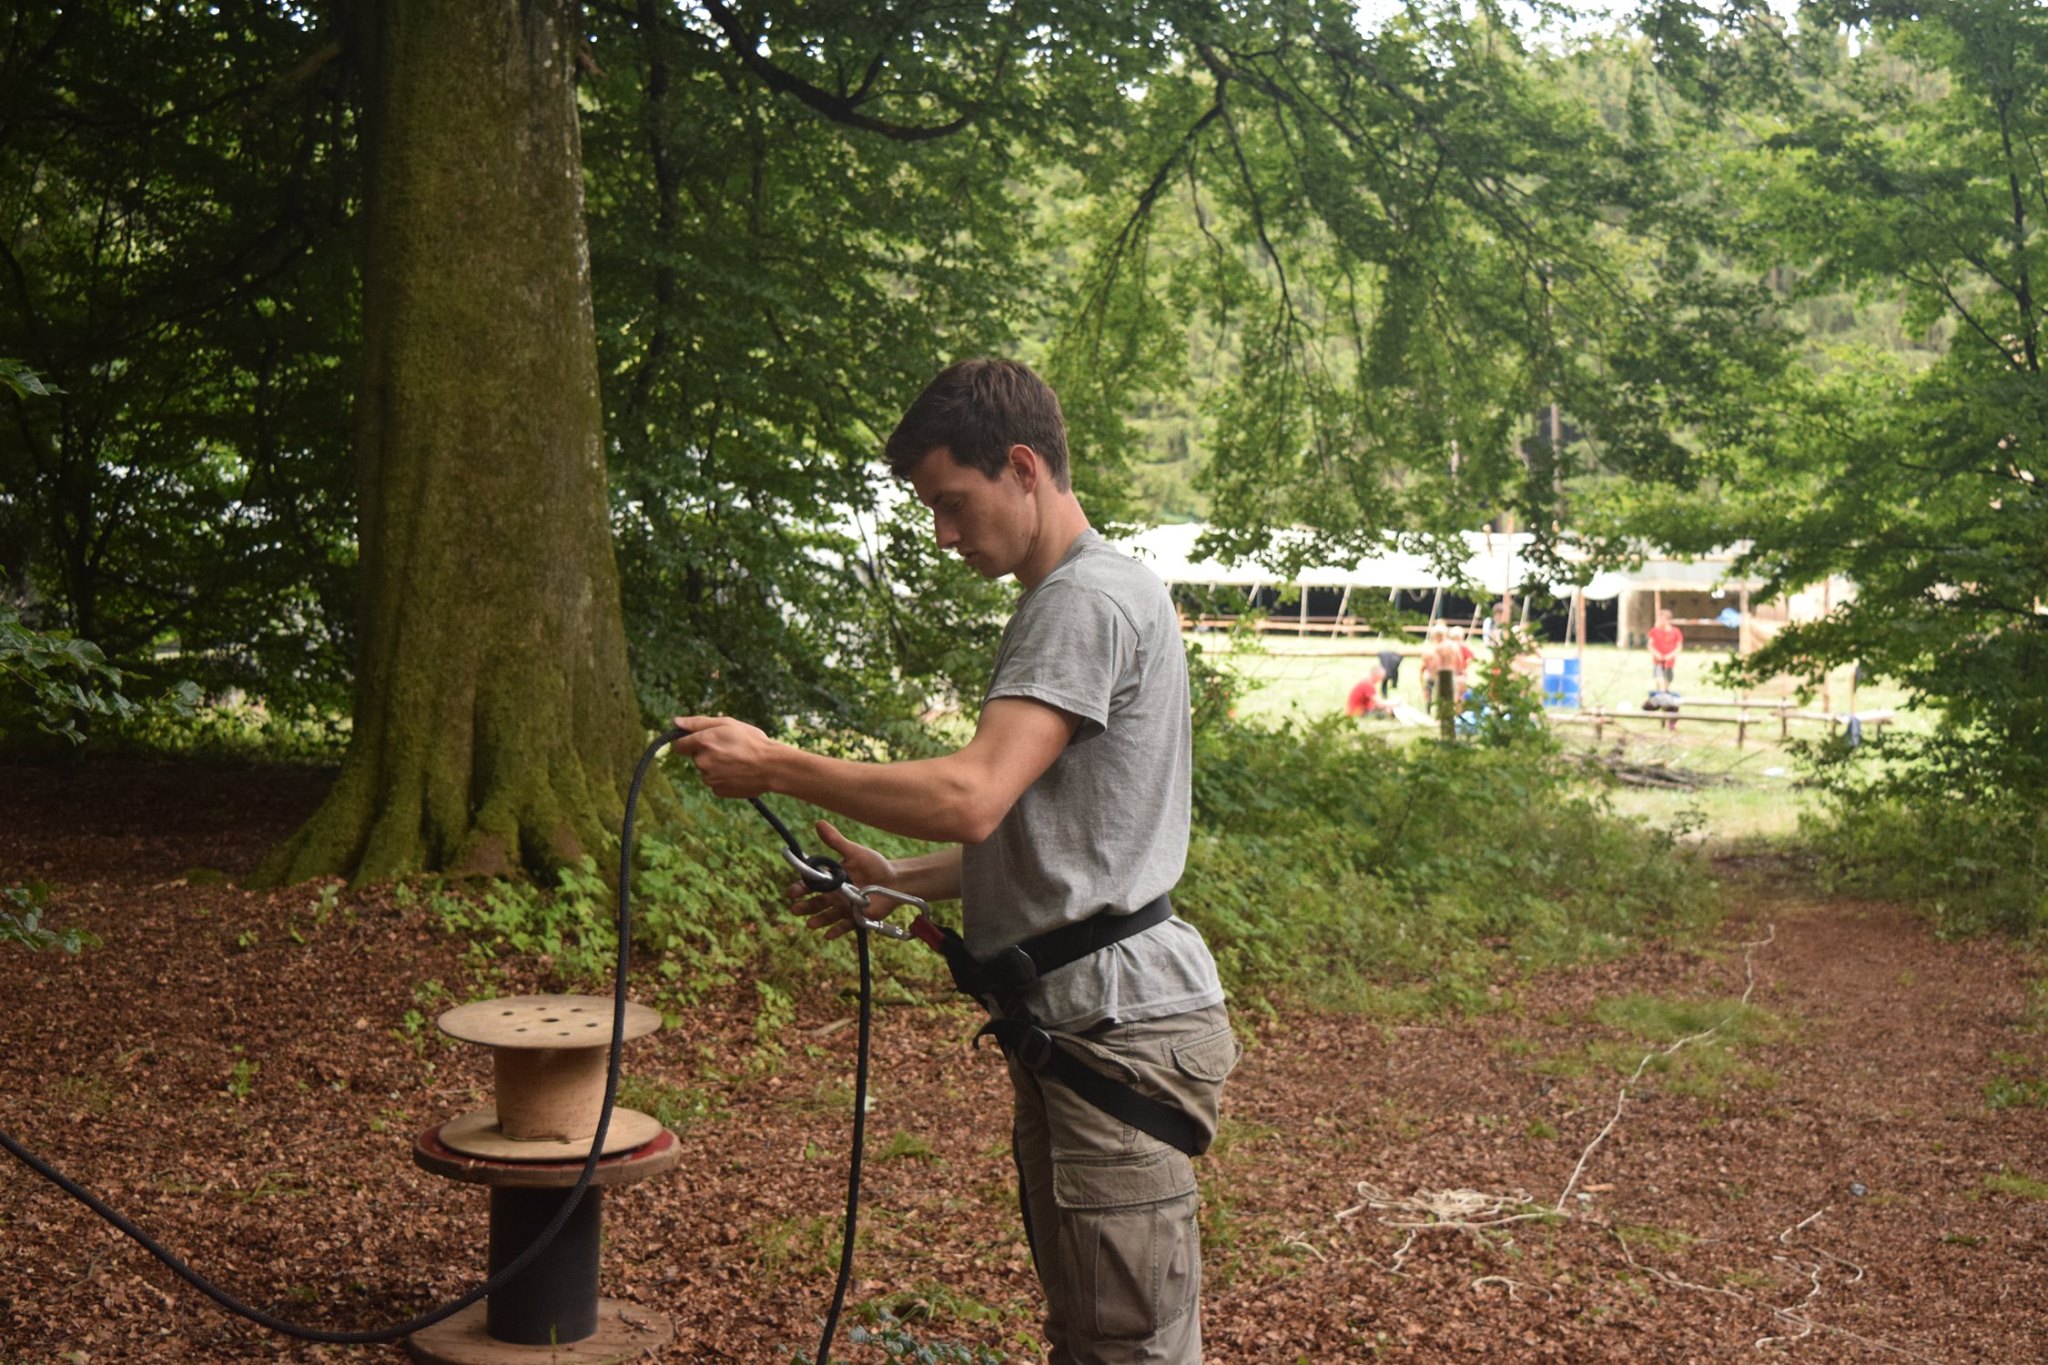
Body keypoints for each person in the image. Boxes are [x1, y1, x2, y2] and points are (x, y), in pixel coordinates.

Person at [671, 358, 1238, 1364]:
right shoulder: (1092, 593)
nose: (940, 533)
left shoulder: (1081, 602)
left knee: (1125, 1349)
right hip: (1092, 1024)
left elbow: (974, 796)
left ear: (1022, 467)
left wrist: (775, 765)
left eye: (951, 503)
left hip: (1112, 1029)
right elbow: (1071, 839)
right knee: (1098, 1337)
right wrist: (892, 878)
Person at [1648, 607, 1684, 688]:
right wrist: (1657, 654)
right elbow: (1650, 645)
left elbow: (1679, 647)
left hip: (1669, 662)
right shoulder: (1654, 631)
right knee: (1659, 679)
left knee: (1667, 681)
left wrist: (1670, 655)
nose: (1661, 621)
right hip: (1658, 661)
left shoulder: (1675, 631)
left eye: (1663, 619)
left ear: (1668, 620)